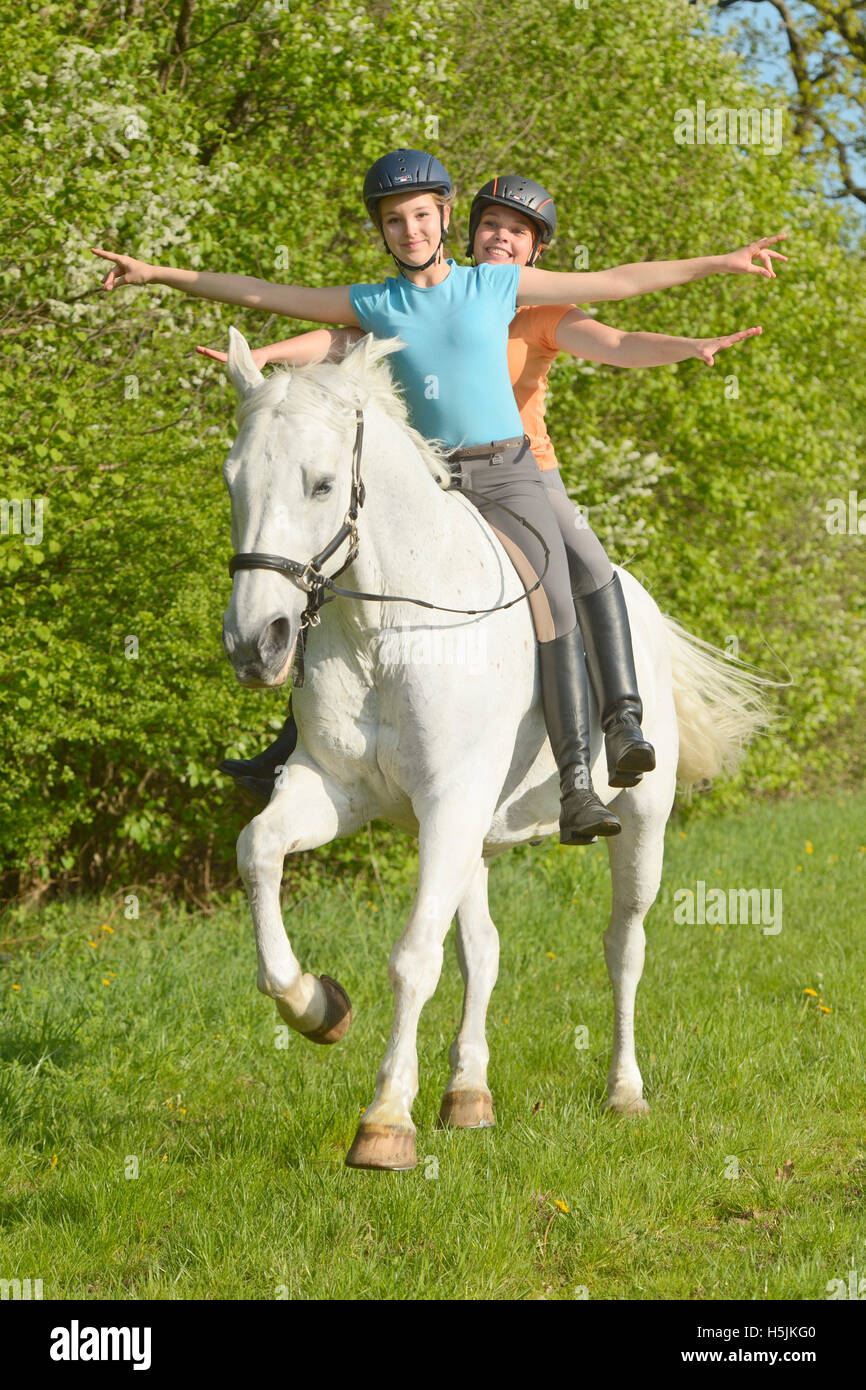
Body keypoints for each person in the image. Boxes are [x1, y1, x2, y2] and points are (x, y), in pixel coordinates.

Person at [92, 150, 785, 844]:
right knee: (324, 578)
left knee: (552, 602)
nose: (410, 229)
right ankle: (300, 744)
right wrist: (157, 275)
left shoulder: (495, 286)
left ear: (443, 218)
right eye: (395, 220)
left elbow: (618, 283)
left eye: (422, 215)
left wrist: (719, 262)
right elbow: (262, 293)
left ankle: (578, 779)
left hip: (510, 475)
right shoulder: (376, 304)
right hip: (432, 477)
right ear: (384, 231)